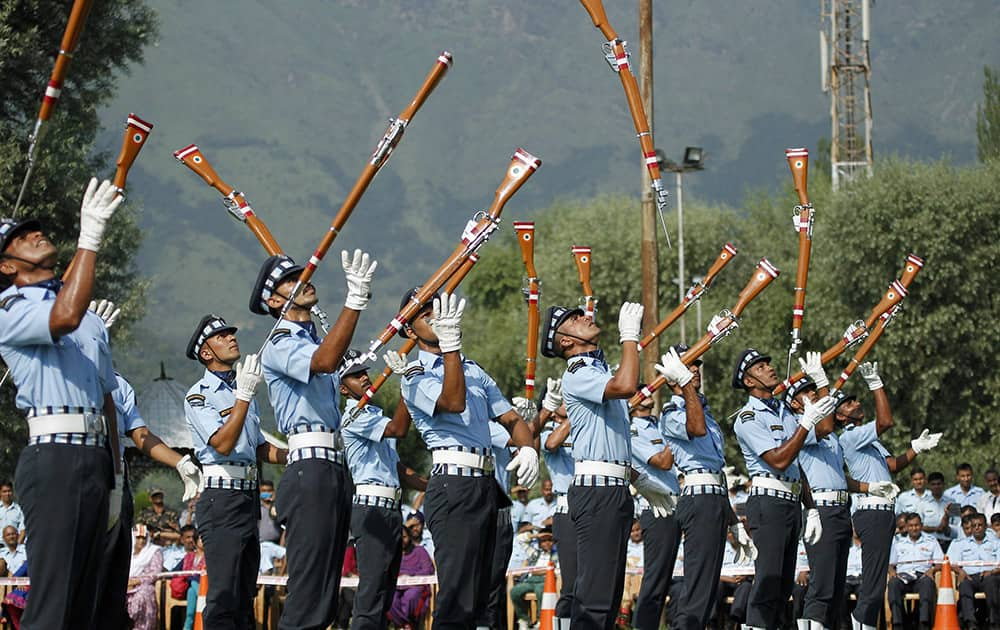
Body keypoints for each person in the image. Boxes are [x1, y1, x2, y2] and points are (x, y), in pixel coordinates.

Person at [0, 178, 125, 629]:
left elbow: (107, 399)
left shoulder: (89, 317)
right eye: (18, 238)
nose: (35, 234)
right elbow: (64, 315)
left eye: (33, 230)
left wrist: (115, 475)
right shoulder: (10, 306)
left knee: (84, 605)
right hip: (53, 456)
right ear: (7, 266)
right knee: (53, 605)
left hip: (92, 459)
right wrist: (89, 238)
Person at [397, 289, 538, 627]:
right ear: (410, 331)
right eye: (424, 313)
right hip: (453, 483)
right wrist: (451, 348)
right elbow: (453, 401)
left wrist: (528, 446)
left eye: (436, 308)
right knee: (458, 596)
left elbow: (511, 419)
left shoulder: (473, 368)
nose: (433, 314)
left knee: (487, 591)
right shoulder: (414, 375)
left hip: (487, 483)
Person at [251, 250, 375, 629]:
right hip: (309, 468)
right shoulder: (280, 342)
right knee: (308, 586)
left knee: (326, 586)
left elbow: (335, 363)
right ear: (274, 301)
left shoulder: (311, 337)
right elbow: (322, 362)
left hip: (332, 466)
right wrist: (353, 303)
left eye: (300, 275)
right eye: (290, 280)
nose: (303, 281)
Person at [540, 303, 672, 628]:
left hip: (614, 489)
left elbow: (608, 443)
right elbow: (627, 386)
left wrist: (639, 480)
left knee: (610, 597)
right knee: (595, 598)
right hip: (597, 492)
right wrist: (629, 336)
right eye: (574, 319)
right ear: (565, 341)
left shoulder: (595, 371)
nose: (586, 318)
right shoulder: (578, 371)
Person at [184, 313, 286, 629]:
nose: (231, 338)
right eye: (221, 336)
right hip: (221, 497)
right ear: (205, 353)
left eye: (231, 333)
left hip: (246, 496)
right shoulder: (198, 394)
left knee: (244, 594)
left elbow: (256, 447)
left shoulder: (243, 387)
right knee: (223, 596)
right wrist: (243, 396)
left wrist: (295, 452)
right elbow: (224, 443)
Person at [731, 348, 835, 630]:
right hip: (768, 503)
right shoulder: (749, 417)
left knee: (782, 587)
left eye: (768, 364)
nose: (770, 369)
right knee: (767, 583)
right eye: (761, 367)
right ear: (749, 381)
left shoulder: (782, 411)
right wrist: (804, 424)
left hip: (790, 501)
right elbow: (778, 460)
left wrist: (821, 382)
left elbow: (825, 427)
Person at [837, 361, 940, 630]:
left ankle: (865, 623)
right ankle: (859, 623)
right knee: (872, 582)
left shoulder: (866, 439)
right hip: (871, 511)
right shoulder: (850, 437)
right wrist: (876, 384)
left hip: (881, 511)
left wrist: (916, 448)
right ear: (840, 417)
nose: (856, 403)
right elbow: (886, 421)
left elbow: (892, 465)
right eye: (848, 404)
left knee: (876, 579)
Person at [659, 344, 749, 630]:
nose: (695, 369)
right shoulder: (671, 412)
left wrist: (734, 521)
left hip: (715, 497)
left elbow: (717, 471)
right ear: (673, 377)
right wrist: (686, 386)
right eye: (687, 366)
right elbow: (695, 429)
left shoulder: (703, 409)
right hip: (698, 498)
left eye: (697, 365)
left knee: (708, 586)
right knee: (698, 584)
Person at [339, 348, 427, 630]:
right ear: (343, 389)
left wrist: (429, 485)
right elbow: (399, 430)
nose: (365, 378)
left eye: (364, 372)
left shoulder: (375, 414)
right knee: (372, 590)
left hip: (390, 509)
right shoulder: (355, 417)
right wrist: (407, 385)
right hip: (371, 507)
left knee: (386, 592)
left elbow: (399, 469)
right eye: (355, 376)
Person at [785, 362, 853, 630]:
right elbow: (824, 424)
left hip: (840, 510)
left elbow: (836, 474)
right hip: (821, 509)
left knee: (837, 587)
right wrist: (825, 385)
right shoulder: (797, 427)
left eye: (814, 390)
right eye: (806, 392)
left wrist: (868, 488)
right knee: (822, 584)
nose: (812, 394)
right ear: (794, 405)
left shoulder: (829, 435)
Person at [628, 390, 681, 630]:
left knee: (665, 578)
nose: (647, 393)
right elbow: (662, 461)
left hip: (675, 504)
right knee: (655, 578)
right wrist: (676, 437)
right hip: (656, 507)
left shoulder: (658, 424)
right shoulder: (633, 430)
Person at [539, 379, 577, 627]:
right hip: (567, 510)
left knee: (593, 582)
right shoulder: (546, 431)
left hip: (592, 506)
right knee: (572, 584)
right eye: (564, 399)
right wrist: (579, 413)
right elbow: (552, 444)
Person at [887, 513, 944, 630]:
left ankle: (924, 623)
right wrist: (892, 572)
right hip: (903, 576)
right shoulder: (898, 543)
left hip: (922, 575)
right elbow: (890, 564)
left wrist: (932, 570)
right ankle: (898, 623)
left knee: (927, 584)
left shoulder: (931, 541)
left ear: (921, 525)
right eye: (911, 526)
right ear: (907, 527)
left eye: (917, 525)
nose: (914, 528)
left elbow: (941, 562)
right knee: (893, 584)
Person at [950, 512, 1000, 629]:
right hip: (969, 576)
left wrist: (992, 572)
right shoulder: (961, 544)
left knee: (992, 583)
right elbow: (951, 563)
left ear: (985, 526)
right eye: (974, 526)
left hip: (989, 576)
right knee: (964, 585)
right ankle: (971, 623)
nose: (976, 528)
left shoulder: (996, 543)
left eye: (980, 525)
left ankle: (994, 623)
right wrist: (960, 571)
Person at [509, 527, 558, 630]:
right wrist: (536, 536)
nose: (546, 543)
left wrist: (541, 571)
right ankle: (524, 619)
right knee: (515, 591)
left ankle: (541, 619)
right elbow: (520, 539)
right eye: (543, 541)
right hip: (531, 580)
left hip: (545, 581)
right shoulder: (535, 553)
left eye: (549, 540)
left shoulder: (556, 555)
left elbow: (556, 571)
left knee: (541, 591)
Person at [388, 526, 435, 628]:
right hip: (397, 586)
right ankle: (405, 624)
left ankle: (406, 624)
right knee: (391, 599)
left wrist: (411, 577)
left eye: (404, 537)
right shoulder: (392, 555)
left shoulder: (420, 551)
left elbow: (428, 569)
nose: (402, 541)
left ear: (409, 537)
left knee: (411, 597)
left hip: (415, 585)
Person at [127, 524, 164, 630]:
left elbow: (155, 572)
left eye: (144, 538)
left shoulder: (153, 551)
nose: (141, 541)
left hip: (143, 585)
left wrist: (136, 581)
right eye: (138, 538)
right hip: (125, 584)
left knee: (143, 595)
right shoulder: (127, 552)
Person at [718, 526, 754, 629]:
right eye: (729, 533)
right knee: (716, 586)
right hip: (724, 580)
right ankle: (712, 621)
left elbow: (754, 569)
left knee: (746, 586)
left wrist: (744, 576)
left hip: (742, 581)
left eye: (735, 532)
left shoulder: (750, 547)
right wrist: (731, 579)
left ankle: (733, 620)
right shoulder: (720, 547)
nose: (732, 535)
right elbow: (714, 573)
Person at [170, 530, 206, 630]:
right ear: (195, 541)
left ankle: (187, 627)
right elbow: (175, 571)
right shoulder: (188, 556)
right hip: (188, 586)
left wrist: (191, 577)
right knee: (192, 583)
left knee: (192, 588)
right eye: (200, 538)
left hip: (202, 586)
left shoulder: (209, 557)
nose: (203, 540)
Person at [923, 472, 955, 550]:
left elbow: (957, 524)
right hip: (929, 544)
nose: (936, 486)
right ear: (928, 485)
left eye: (939, 484)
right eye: (933, 484)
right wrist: (935, 529)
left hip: (949, 543)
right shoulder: (922, 503)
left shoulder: (952, 502)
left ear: (943, 484)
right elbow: (919, 525)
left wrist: (946, 528)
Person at [258, 480, 282, 544]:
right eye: (263, 491)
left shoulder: (277, 506)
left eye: (269, 491)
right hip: (261, 544)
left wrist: (273, 503)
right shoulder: (256, 507)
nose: (266, 493)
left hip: (277, 543)